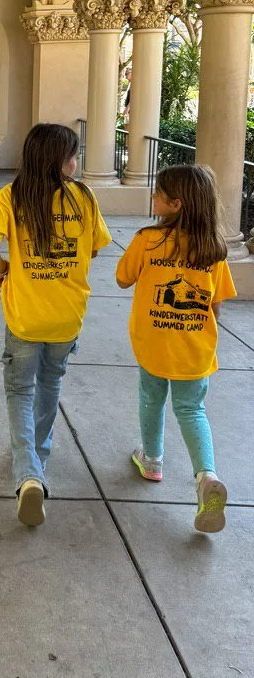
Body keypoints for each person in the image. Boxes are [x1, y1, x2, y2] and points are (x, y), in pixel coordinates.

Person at [0, 124, 110, 527]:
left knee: (19, 390)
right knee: (50, 384)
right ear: (57, 161)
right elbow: (95, 247)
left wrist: (2, 269)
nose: (77, 162)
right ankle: (38, 456)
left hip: (24, 314)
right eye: (73, 155)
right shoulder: (83, 197)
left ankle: (28, 473)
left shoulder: (12, 196)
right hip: (67, 315)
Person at [115, 164, 236, 533]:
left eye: (158, 194)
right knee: (191, 409)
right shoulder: (212, 250)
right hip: (194, 348)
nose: (152, 198)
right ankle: (206, 477)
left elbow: (122, 278)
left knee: (151, 399)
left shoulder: (146, 240)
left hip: (153, 343)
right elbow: (216, 305)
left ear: (175, 204)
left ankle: (152, 460)